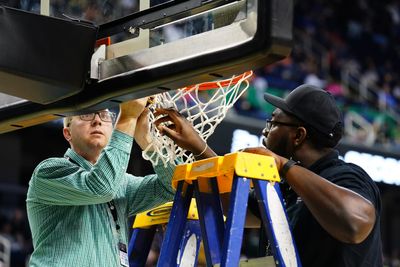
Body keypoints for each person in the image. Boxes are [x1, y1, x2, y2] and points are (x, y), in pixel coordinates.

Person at [154, 84, 383, 267]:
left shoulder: (346, 176)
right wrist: (200, 148)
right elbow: (236, 207)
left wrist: (282, 164)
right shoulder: (288, 187)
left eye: (272, 122)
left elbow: (356, 224)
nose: (265, 129)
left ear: (298, 136)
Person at [26, 98, 178, 267]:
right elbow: (102, 187)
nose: (97, 120)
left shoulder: (122, 183)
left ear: (112, 131)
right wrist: (127, 118)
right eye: (86, 115)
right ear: (67, 133)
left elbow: (172, 187)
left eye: (105, 116)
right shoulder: (48, 171)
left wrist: (148, 143)